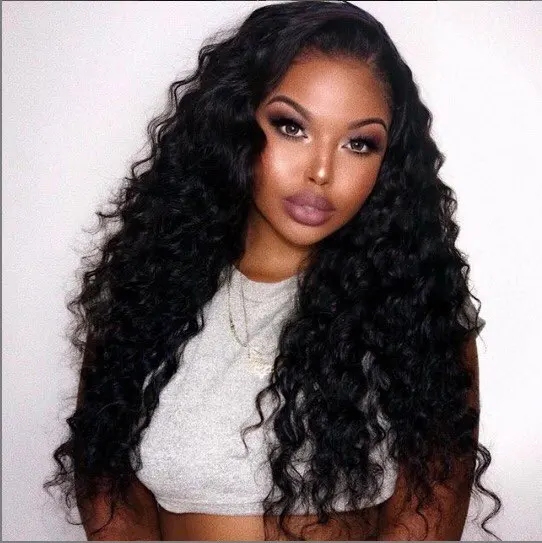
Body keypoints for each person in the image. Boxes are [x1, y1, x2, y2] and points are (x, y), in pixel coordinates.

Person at [45, 1, 502, 540]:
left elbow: (428, 514)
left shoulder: (418, 311)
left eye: (359, 143)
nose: (321, 170)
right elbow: (108, 490)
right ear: (235, 123)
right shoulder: (145, 292)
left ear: (389, 161)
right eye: (291, 127)